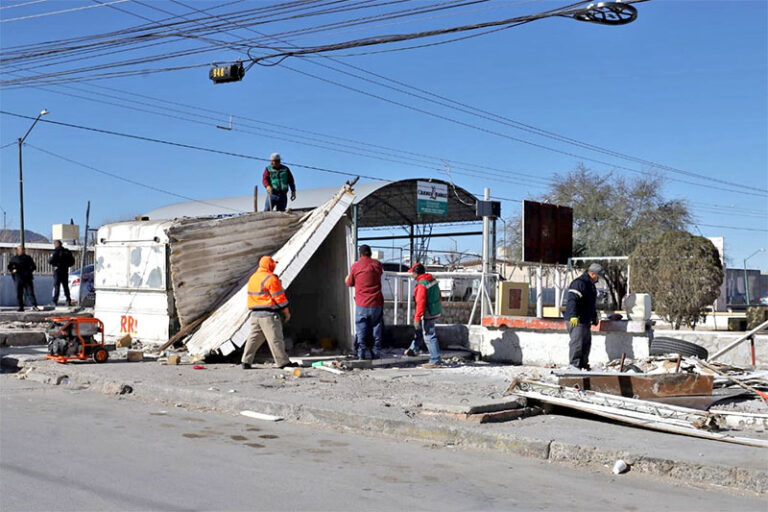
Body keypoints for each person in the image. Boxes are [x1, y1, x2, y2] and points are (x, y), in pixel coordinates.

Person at [242, 255, 297, 370]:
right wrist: (286, 312)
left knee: (254, 338)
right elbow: (279, 298)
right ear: (269, 265)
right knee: (275, 339)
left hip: (255, 315)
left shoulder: (253, 277)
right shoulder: (270, 278)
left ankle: (246, 362)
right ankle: (283, 363)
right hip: (268, 315)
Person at [345, 244, 384, 359]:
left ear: (360, 254)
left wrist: (348, 277)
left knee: (361, 328)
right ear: (370, 253)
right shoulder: (377, 264)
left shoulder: (356, 266)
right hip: (376, 302)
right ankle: (376, 352)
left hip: (362, 303)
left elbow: (349, 283)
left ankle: (361, 353)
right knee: (376, 328)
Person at [565, 263, 604, 370]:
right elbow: (572, 300)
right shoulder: (579, 283)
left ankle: (583, 365)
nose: (598, 279)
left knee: (586, 344)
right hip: (577, 320)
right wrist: (573, 315)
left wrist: (594, 316)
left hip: (585, 320)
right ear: (592, 273)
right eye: (598, 276)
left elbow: (590, 303)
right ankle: (574, 366)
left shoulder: (590, 285)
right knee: (577, 343)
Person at [404, 263, 443, 368]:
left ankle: (435, 360)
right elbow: (439, 294)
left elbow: (420, 302)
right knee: (421, 331)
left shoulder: (421, 284)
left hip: (428, 311)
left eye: (412, 273)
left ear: (416, 273)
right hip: (434, 309)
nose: (411, 275)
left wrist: (417, 318)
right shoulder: (431, 279)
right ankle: (413, 349)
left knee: (429, 335)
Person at [8, 246, 38, 312]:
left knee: (30, 292)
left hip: (27, 278)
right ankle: (20, 307)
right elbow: (9, 267)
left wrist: (29, 271)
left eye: (23, 250)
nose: (22, 251)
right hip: (18, 278)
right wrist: (13, 270)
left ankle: (34, 305)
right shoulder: (14, 258)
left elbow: (33, 266)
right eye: (21, 250)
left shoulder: (28, 258)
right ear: (18, 250)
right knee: (19, 293)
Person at [49, 240, 75, 306]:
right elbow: (72, 261)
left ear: (56, 244)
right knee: (65, 286)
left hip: (58, 270)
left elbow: (50, 261)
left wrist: (55, 264)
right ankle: (68, 300)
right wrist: (67, 265)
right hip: (65, 270)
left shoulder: (56, 251)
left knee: (57, 286)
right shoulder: (67, 251)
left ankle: (55, 301)